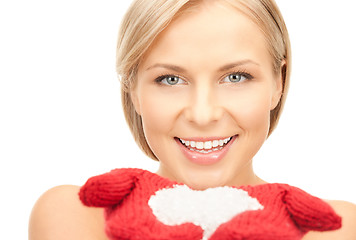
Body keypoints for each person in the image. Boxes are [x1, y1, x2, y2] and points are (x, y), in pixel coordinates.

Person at [29, 0, 356, 239]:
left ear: (278, 83)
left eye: (236, 77)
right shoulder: (77, 214)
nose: (203, 115)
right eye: (170, 79)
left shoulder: (333, 228)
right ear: (133, 90)